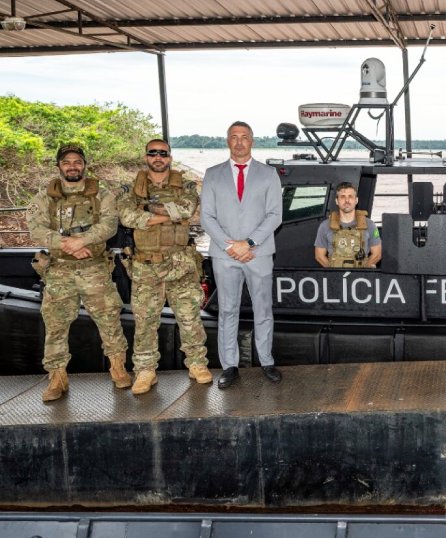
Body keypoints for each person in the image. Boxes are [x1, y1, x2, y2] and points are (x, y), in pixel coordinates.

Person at [26, 144, 131, 401]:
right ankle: (57, 378)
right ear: (59, 166)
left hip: (94, 268)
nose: (72, 166)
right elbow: (35, 230)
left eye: (77, 161)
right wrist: (68, 245)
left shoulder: (101, 193)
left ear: (84, 165)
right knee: (56, 326)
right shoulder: (44, 196)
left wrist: (81, 241)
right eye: (67, 162)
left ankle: (118, 369)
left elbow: (109, 224)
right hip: (59, 270)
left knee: (109, 320)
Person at [118, 139, 212, 394]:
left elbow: (186, 209)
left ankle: (196, 363)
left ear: (169, 157)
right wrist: (165, 214)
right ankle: (145, 370)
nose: (158, 157)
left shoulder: (186, 184)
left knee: (190, 317)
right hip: (146, 264)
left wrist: (148, 211)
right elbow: (128, 216)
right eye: (153, 153)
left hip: (180, 263)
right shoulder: (131, 189)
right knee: (145, 322)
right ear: (146, 156)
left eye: (163, 153)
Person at [201, 121, 283, 389]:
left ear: (252, 141)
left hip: (258, 253)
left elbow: (275, 215)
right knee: (227, 310)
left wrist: (248, 243)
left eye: (244, 137)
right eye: (234, 137)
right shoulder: (212, 174)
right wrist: (230, 246)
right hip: (225, 256)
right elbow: (207, 218)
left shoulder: (268, 174)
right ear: (227, 141)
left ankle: (267, 361)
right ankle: (229, 366)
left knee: (263, 309)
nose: (239, 142)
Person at [314, 182, 382, 268]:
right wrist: (333, 273)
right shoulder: (325, 226)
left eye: (350, 196)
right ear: (337, 201)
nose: (347, 200)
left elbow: (377, 254)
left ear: (356, 200)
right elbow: (319, 256)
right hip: (335, 278)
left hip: (361, 279)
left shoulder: (369, 225)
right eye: (342, 197)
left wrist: (363, 273)